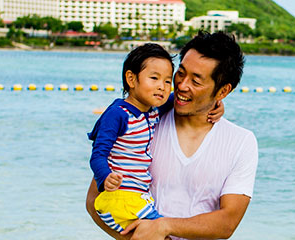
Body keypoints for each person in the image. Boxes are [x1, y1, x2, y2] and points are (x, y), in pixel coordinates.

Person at [88, 32, 257, 240]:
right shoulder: (144, 123)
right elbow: (94, 199)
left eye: (196, 81)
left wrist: (164, 226)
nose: (181, 86)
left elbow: (227, 223)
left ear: (222, 92)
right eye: (181, 73)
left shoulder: (241, 142)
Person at [86, 43, 177, 233]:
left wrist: (213, 102)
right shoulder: (118, 114)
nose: (162, 87)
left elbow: (179, 99)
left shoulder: (150, 112)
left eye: (168, 81)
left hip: (136, 198)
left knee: (162, 233)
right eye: (154, 78)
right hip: (120, 197)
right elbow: (98, 155)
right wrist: (106, 177)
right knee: (165, 232)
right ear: (131, 79)